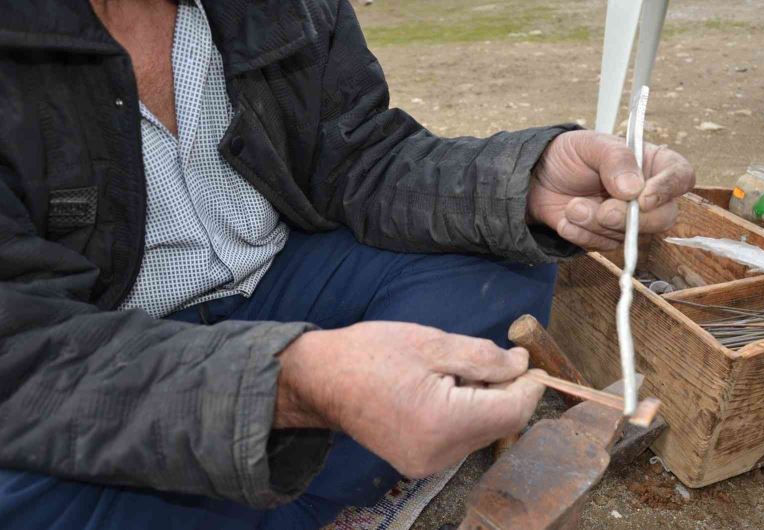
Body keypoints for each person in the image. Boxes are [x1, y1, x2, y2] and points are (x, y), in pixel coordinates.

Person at [0, 1, 694, 529]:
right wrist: (292, 385)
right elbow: (21, 353)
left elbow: (358, 155)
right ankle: (316, 479)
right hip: (100, 352)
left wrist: (528, 182)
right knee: (26, 487)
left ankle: (278, 494)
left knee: (498, 263)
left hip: (280, 277)